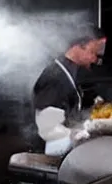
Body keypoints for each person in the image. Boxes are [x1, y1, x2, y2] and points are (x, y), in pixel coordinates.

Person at [33, 27, 107, 156]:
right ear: (78, 47)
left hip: (65, 150)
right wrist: (79, 133)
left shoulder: (70, 71)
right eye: (93, 53)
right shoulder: (55, 77)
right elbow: (47, 127)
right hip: (51, 155)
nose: (95, 59)